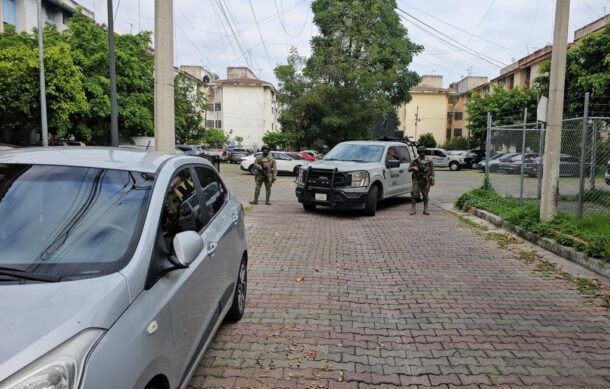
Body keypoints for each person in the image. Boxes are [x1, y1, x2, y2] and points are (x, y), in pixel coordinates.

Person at [408, 146, 435, 215]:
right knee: (414, 194)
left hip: (425, 179)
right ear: (418, 152)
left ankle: (425, 209)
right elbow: (409, 169)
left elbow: (432, 172)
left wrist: (432, 180)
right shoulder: (415, 160)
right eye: (420, 152)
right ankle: (413, 208)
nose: (422, 153)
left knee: (425, 194)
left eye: (423, 152)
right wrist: (413, 167)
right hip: (416, 179)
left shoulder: (429, 161)